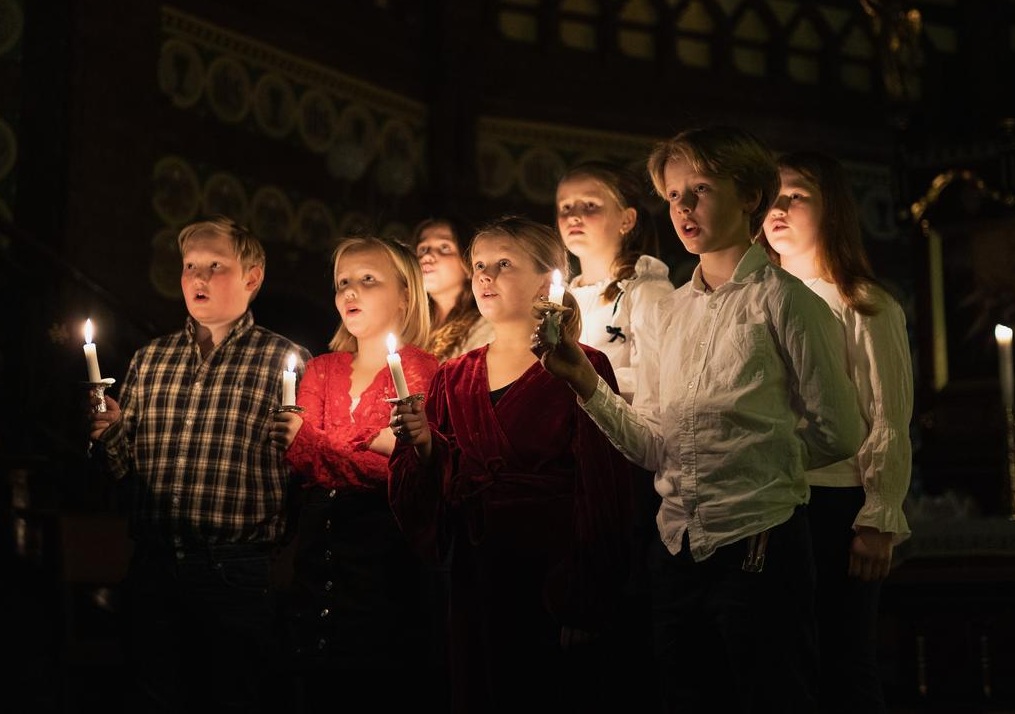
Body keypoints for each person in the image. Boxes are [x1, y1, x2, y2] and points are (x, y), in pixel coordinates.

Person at [533, 125, 869, 713]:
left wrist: (757, 465)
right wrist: (585, 381)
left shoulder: (788, 302)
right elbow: (654, 445)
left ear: (750, 197)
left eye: (702, 189)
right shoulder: (672, 312)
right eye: (673, 195)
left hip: (759, 541)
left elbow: (839, 430)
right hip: (677, 546)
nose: (684, 207)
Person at [387, 215, 634, 714]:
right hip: (476, 572)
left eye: (503, 265)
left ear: (547, 281)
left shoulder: (581, 366)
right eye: (478, 265)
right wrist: (425, 447)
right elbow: (431, 485)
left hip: (550, 574)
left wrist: (585, 598)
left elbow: (602, 486)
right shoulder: (453, 377)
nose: (484, 277)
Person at [87, 215, 311, 713]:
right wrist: (111, 435)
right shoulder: (152, 359)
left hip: (233, 572)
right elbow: (123, 471)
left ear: (253, 277)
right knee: (155, 696)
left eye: (216, 266)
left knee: (232, 696)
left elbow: (302, 469)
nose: (199, 278)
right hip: (154, 567)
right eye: (190, 266)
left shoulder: (285, 360)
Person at [760, 150, 913, 714]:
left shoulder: (864, 303)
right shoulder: (757, 300)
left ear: (831, 209)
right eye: (768, 198)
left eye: (794, 196)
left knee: (844, 658)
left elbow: (887, 417)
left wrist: (878, 516)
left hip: (838, 499)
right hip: (774, 498)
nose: (777, 208)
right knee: (785, 659)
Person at [270, 235, 438, 711]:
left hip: (384, 549)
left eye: (368, 280)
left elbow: (400, 470)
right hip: (318, 547)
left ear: (405, 294)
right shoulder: (322, 369)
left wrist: (313, 439)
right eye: (343, 282)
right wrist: (364, 443)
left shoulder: (424, 370)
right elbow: (302, 459)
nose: (350, 292)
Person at [555, 159, 674, 710]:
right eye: (564, 209)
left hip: (628, 476)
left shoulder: (648, 294)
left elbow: (657, 385)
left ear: (627, 219)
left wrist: (590, 380)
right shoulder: (562, 298)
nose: (574, 217)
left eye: (589, 205)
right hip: (569, 473)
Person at [413, 216, 495, 361]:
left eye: (444, 248)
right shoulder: (411, 324)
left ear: (468, 262)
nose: (427, 256)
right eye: (423, 249)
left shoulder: (483, 328)